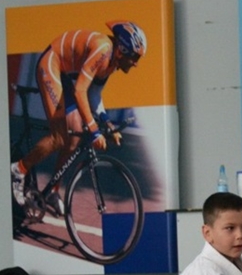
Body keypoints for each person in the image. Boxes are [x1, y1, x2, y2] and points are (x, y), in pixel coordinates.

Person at [11, 21, 147, 212]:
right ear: (122, 49)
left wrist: (107, 124)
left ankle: (52, 191)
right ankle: (19, 169)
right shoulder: (103, 50)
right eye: (134, 57)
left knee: (74, 138)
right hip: (51, 65)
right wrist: (94, 130)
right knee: (59, 137)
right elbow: (80, 90)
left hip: (65, 74)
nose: (135, 64)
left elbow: (94, 96)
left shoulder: (111, 63)